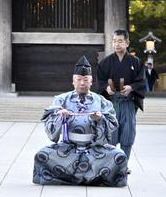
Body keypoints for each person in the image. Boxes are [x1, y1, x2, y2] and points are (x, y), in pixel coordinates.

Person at [33, 56, 127, 187]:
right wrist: (60, 116)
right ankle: (92, 178)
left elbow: (112, 121)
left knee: (119, 155)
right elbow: (50, 117)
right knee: (41, 155)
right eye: (79, 80)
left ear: (91, 82)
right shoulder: (61, 99)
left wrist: (100, 119)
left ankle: (76, 178)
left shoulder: (101, 100)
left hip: (95, 147)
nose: (82, 83)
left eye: (85, 80)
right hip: (68, 147)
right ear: (73, 81)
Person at [95, 29, 145, 165]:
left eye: (120, 41)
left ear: (127, 43)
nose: (117, 44)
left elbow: (141, 81)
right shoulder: (105, 62)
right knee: (111, 132)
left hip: (128, 102)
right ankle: (111, 163)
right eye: (114, 41)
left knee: (127, 133)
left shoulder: (136, 62)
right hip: (111, 103)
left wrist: (131, 88)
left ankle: (124, 163)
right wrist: (106, 88)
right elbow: (100, 80)